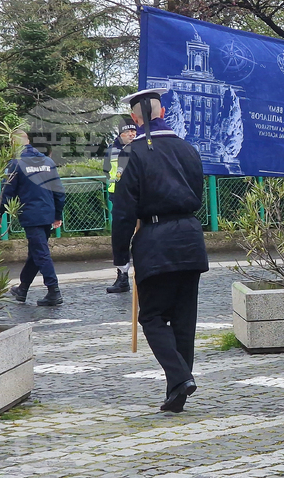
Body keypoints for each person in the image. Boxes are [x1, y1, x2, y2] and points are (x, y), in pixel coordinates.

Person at [112, 88, 208, 413]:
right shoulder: (188, 148)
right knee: (184, 320)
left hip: (154, 238)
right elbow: (198, 191)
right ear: (162, 113)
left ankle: (180, 378)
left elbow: (123, 210)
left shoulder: (129, 153)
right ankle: (177, 391)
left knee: (152, 316)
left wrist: (120, 258)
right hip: (190, 236)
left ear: (134, 119)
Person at [0, 130, 66, 307]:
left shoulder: (16, 163)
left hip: (31, 213)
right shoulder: (47, 161)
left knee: (41, 253)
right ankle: (23, 289)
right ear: (28, 141)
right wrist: (58, 214)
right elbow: (59, 191)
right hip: (48, 212)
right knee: (36, 252)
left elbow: (8, 191)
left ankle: (54, 291)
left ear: (13, 144)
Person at [104, 123, 136, 294]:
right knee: (120, 238)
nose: (132, 134)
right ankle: (122, 277)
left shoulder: (139, 148)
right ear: (120, 134)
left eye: (134, 131)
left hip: (137, 196)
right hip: (117, 196)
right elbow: (106, 170)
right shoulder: (111, 150)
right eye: (128, 131)